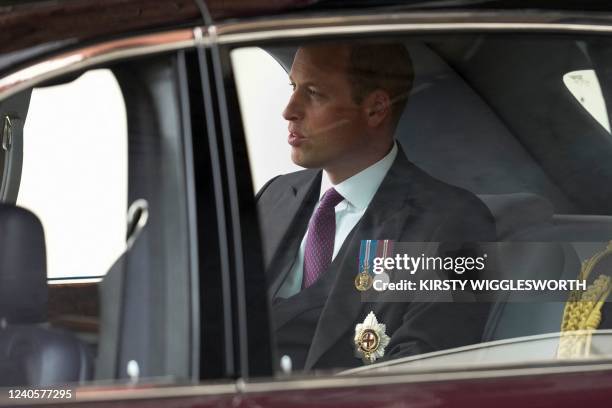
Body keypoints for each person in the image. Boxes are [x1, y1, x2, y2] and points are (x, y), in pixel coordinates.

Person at [256, 41, 496, 371]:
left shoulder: (452, 222)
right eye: (293, 87)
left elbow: (421, 370)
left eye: (313, 93)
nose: (289, 110)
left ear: (375, 109)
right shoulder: (273, 195)